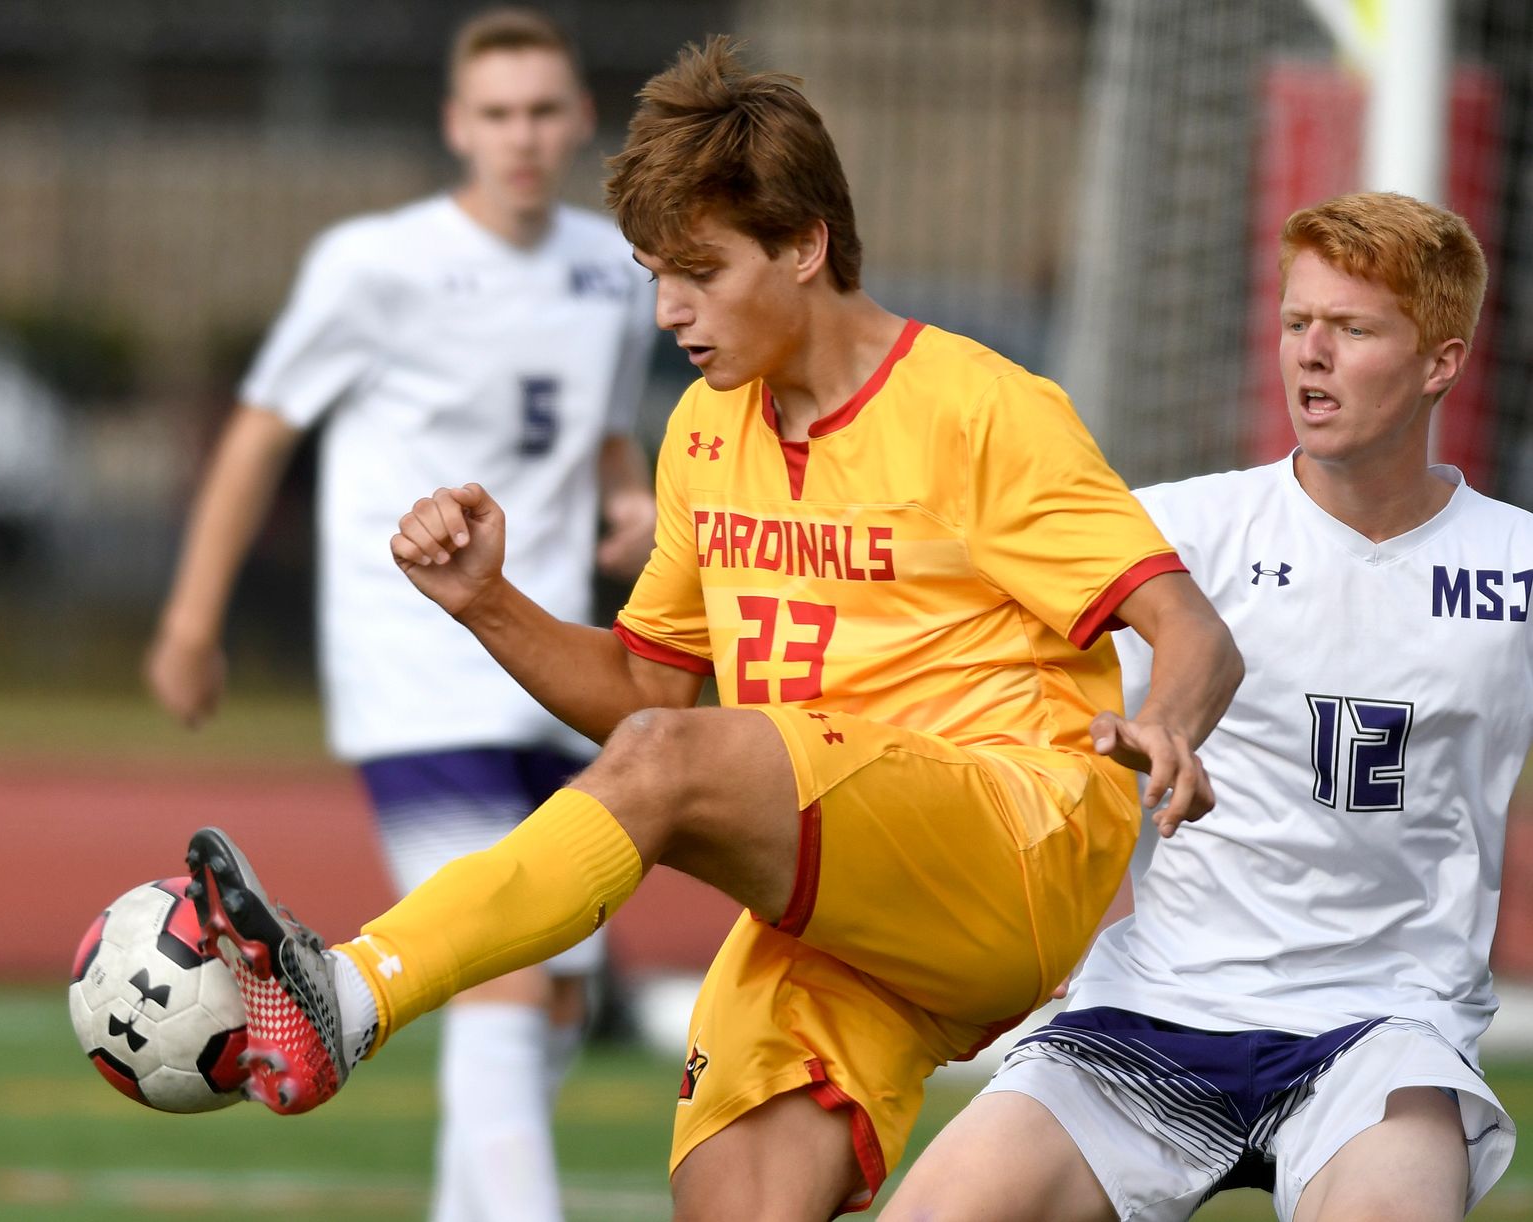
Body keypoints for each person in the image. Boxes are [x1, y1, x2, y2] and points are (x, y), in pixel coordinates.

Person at [181, 37, 1242, 1220]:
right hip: (847, 899)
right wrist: (489, 600)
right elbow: (650, 692)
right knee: (731, 1199)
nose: (668, 309)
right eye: (650, 272)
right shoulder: (704, 428)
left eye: (698, 269)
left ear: (804, 245)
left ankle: (352, 990)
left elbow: (1189, 626)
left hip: (1014, 842)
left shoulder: (985, 409)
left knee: (671, 767)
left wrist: (1170, 723)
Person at [884, 191, 1527, 1222]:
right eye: (1295, 322)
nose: (1310, 354)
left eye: (1352, 329)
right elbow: (965, 668)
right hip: (1156, 1005)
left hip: (1382, 1029)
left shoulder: (1517, 566)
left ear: (1440, 364)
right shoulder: (1175, 534)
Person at [144, 9, 657, 1221]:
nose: (520, 136)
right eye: (495, 114)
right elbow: (263, 426)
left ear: (578, 120)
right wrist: (191, 617)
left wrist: (627, 491)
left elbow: (599, 424)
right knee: (503, 982)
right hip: (414, 666)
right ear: (454, 127)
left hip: (548, 661)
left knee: (559, 988)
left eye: (542, 111)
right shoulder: (375, 264)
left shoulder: (607, 269)